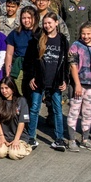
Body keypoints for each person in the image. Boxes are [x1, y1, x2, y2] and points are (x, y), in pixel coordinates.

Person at [23, 13, 69, 151]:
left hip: (56, 80)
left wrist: (65, 80)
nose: (47, 26)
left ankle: (59, 138)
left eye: (50, 23)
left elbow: (66, 62)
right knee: (35, 108)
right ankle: (31, 137)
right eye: (45, 23)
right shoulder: (37, 39)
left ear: (56, 23)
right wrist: (31, 76)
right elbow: (29, 61)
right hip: (39, 80)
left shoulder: (62, 40)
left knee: (57, 110)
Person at [66, 23, 91, 152]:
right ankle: (72, 140)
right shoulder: (75, 46)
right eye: (83, 33)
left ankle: (84, 139)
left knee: (88, 113)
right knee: (74, 111)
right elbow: (73, 66)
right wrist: (77, 84)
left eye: (88, 33)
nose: (86, 36)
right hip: (78, 85)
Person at [0, 79, 32, 160]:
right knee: (0, 153)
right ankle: (6, 148)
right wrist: (1, 137)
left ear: (13, 89)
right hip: (4, 136)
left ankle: (25, 147)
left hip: (19, 136)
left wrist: (16, 140)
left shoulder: (21, 101)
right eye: (2, 88)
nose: (4, 91)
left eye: (6, 88)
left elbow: (22, 122)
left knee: (14, 154)